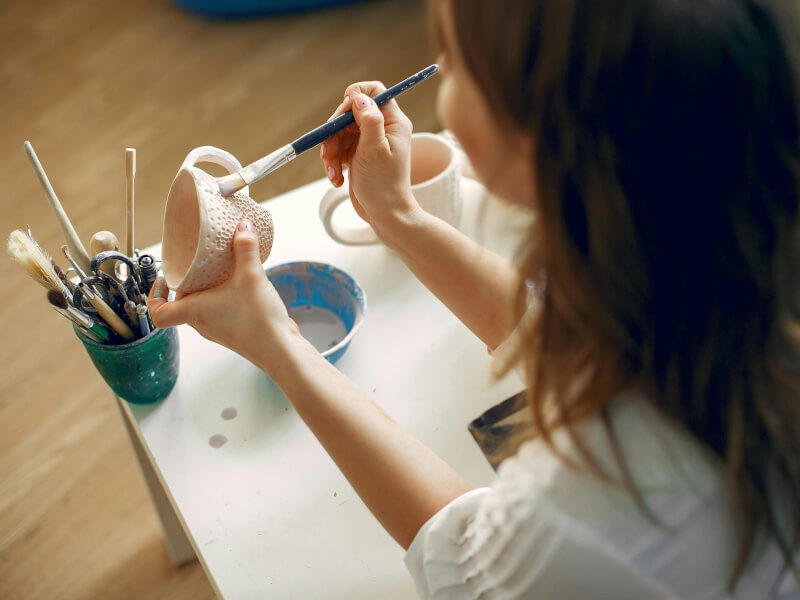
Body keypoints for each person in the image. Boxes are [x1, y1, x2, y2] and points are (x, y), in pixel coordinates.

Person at [149, 0, 800, 596]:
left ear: (537, 141)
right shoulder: (716, 249)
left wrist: (280, 347)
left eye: (449, 63)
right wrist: (396, 213)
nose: (434, 78)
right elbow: (573, 338)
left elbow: (463, 559)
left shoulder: (583, 515)